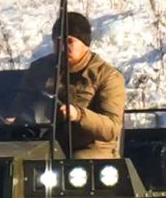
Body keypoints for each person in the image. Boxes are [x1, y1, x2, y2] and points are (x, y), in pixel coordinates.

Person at [16, 12, 125, 159]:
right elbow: (22, 101)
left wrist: (78, 115)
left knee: (79, 163)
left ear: (85, 44)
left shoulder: (106, 76)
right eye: (58, 41)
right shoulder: (40, 69)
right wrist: (16, 115)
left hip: (91, 148)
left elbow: (112, 128)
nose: (62, 47)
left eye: (69, 41)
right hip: (49, 144)